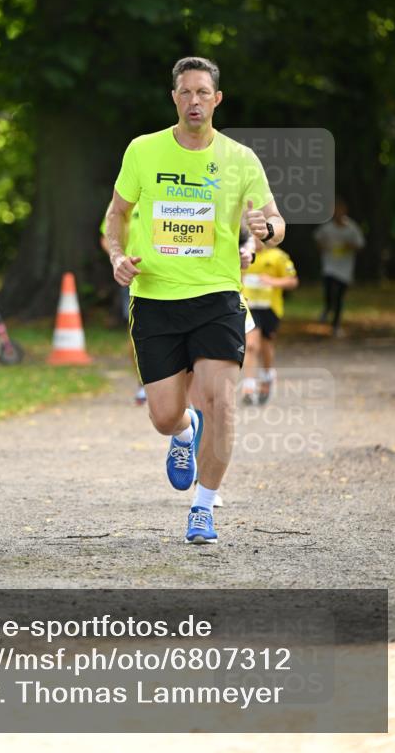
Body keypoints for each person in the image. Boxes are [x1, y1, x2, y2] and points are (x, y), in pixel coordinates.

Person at [106, 56, 285, 544]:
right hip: (155, 297)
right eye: (185, 92)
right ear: (174, 98)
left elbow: (275, 220)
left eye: (203, 92)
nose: (194, 100)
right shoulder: (143, 151)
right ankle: (184, 434)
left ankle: (203, 508)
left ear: (217, 99)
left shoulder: (240, 159)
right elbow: (117, 213)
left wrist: (265, 229)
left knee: (222, 404)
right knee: (165, 414)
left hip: (217, 296)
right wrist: (118, 255)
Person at [241, 241, 299, 405]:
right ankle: (248, 386)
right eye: (253, 236)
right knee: (251, 344)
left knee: (266, 346)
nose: (256, 240)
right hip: (249, 306)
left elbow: (293, 281)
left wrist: (272, 282)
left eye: (260, 236)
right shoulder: (242, 255)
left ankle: (267, 378)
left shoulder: (278, 256)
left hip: (270, 308)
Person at [100, 203, 146, 404]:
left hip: (168, 276)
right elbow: (107, 237)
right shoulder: (125, 202)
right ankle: (142, 382)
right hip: (134, 276)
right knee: (136, 332)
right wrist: (119, 259)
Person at [314, 198, 365, 336]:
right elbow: (318, 240)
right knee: (330, 292)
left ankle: (335, 325)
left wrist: (349, 246)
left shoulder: (352, 227)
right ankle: (327, 308)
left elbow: (360, 245)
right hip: (329, 267)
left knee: (339, 297)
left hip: (345, 269)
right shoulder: (326, 228)